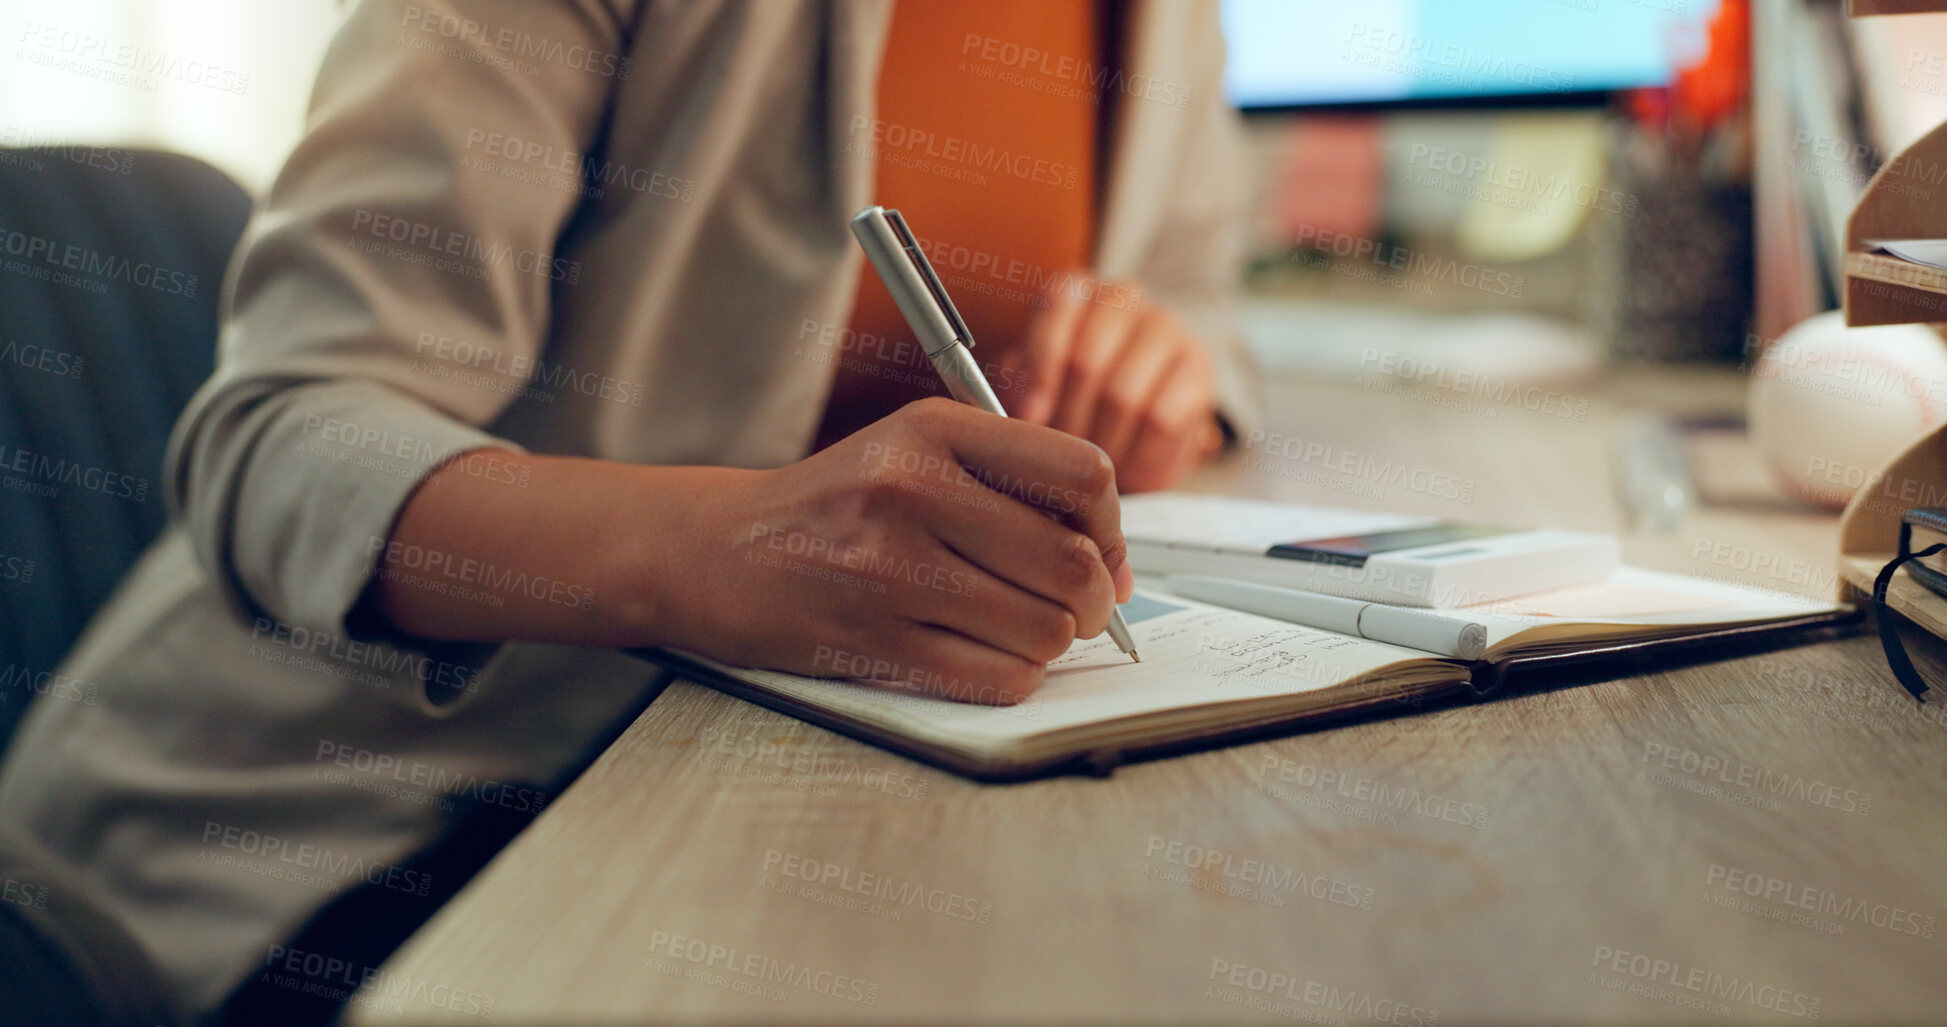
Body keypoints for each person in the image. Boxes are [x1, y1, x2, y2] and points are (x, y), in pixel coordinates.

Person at [0, 0, 1260, 1019]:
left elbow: (1201, 286)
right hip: (343, 822)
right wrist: (728, 551)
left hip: (809, 771)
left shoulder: (1177, 21)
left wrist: (1171, 375)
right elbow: (275, 439)